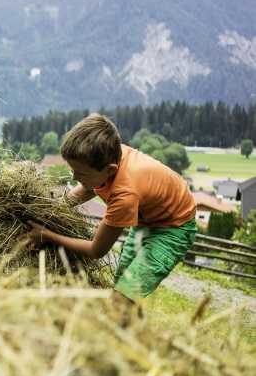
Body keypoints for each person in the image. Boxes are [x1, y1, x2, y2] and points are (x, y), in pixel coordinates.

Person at [25, 114, 197, 321]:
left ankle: (125, 340)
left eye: (80, 173)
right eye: (72, 170)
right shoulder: (108, 154)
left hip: (174, 228)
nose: (73, 178)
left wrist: (47, 235)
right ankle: (132, 328)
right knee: (123, 285)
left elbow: (96, 250)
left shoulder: (125, 194)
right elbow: (91, 187)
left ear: (110, 170)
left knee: (122, 297)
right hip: (147, 220)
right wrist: (54, 208)